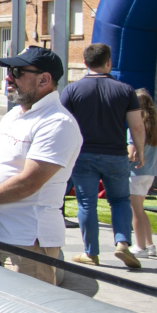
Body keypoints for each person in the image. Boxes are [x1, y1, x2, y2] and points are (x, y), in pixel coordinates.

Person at [0, 47, 80, 285]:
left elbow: (28, 182)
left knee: (27, 308)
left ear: (44, 79)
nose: (8, 78)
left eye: (16, 72)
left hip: (27, 242)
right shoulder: (14, 114)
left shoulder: (57, 122)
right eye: (9, 71)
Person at [60, 43, 145, 268]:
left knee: (86, 204)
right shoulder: (125, 90)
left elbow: (61, 123)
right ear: (109, 62)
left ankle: (91, 253)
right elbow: (137, 126)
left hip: (82, 154)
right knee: (120, 200)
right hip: (116, 154)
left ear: (85, 63)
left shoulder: (72, 90)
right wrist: (140, 150)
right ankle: (122, 243)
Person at [129, 88, 157, 259]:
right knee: (141, 210)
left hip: (135, 173)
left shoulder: (134, 127)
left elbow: (130, 155)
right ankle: (149, 245)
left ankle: (140, 247)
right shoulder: (156, 128)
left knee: (135, 211)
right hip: (150, 173)